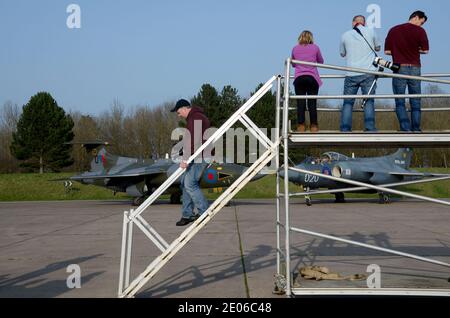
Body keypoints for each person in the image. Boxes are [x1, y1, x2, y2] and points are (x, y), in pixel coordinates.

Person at [385, 10, 429, 132]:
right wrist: (415, 49)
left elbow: (387, 52)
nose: (421, 25)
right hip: (415, 67)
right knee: (415, 100)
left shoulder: (393, 30)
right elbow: (426, 51)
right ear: (416, 17)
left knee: (400, 100)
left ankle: (405, 129)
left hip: (399, 67)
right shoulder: (420, 31)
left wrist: (399, 50)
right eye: (421, 22)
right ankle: (416, 129)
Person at [171, 99, 210, 226]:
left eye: (178, 112)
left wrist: (185, 159)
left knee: (190, 184)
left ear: (184, 108)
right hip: (197, 155)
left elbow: (193, 141)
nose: (179, 115)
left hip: (200, 156)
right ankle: (187, 214)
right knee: (184, 183)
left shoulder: (196, 118)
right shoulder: (195, 118)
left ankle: (204, 211)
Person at [340, 15, 380, 132]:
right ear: (364, 23)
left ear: (353, 23)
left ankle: (345, 129)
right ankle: (370, 128)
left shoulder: (345, 35)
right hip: (368, 72)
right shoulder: (371, 31)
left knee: (348, 102)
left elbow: (342, 54)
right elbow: (377, 48)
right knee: (368, 101)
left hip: (351, 73)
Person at [291, 30, 324, 132]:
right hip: (311, 78)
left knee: (300, 102)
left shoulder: (295, 48)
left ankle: (301, 125)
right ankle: (313, 126)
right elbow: (321, 61)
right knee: (312, 102)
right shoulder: (315, 47)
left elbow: (293, 63)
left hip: (299, 78)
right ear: (311, 38)